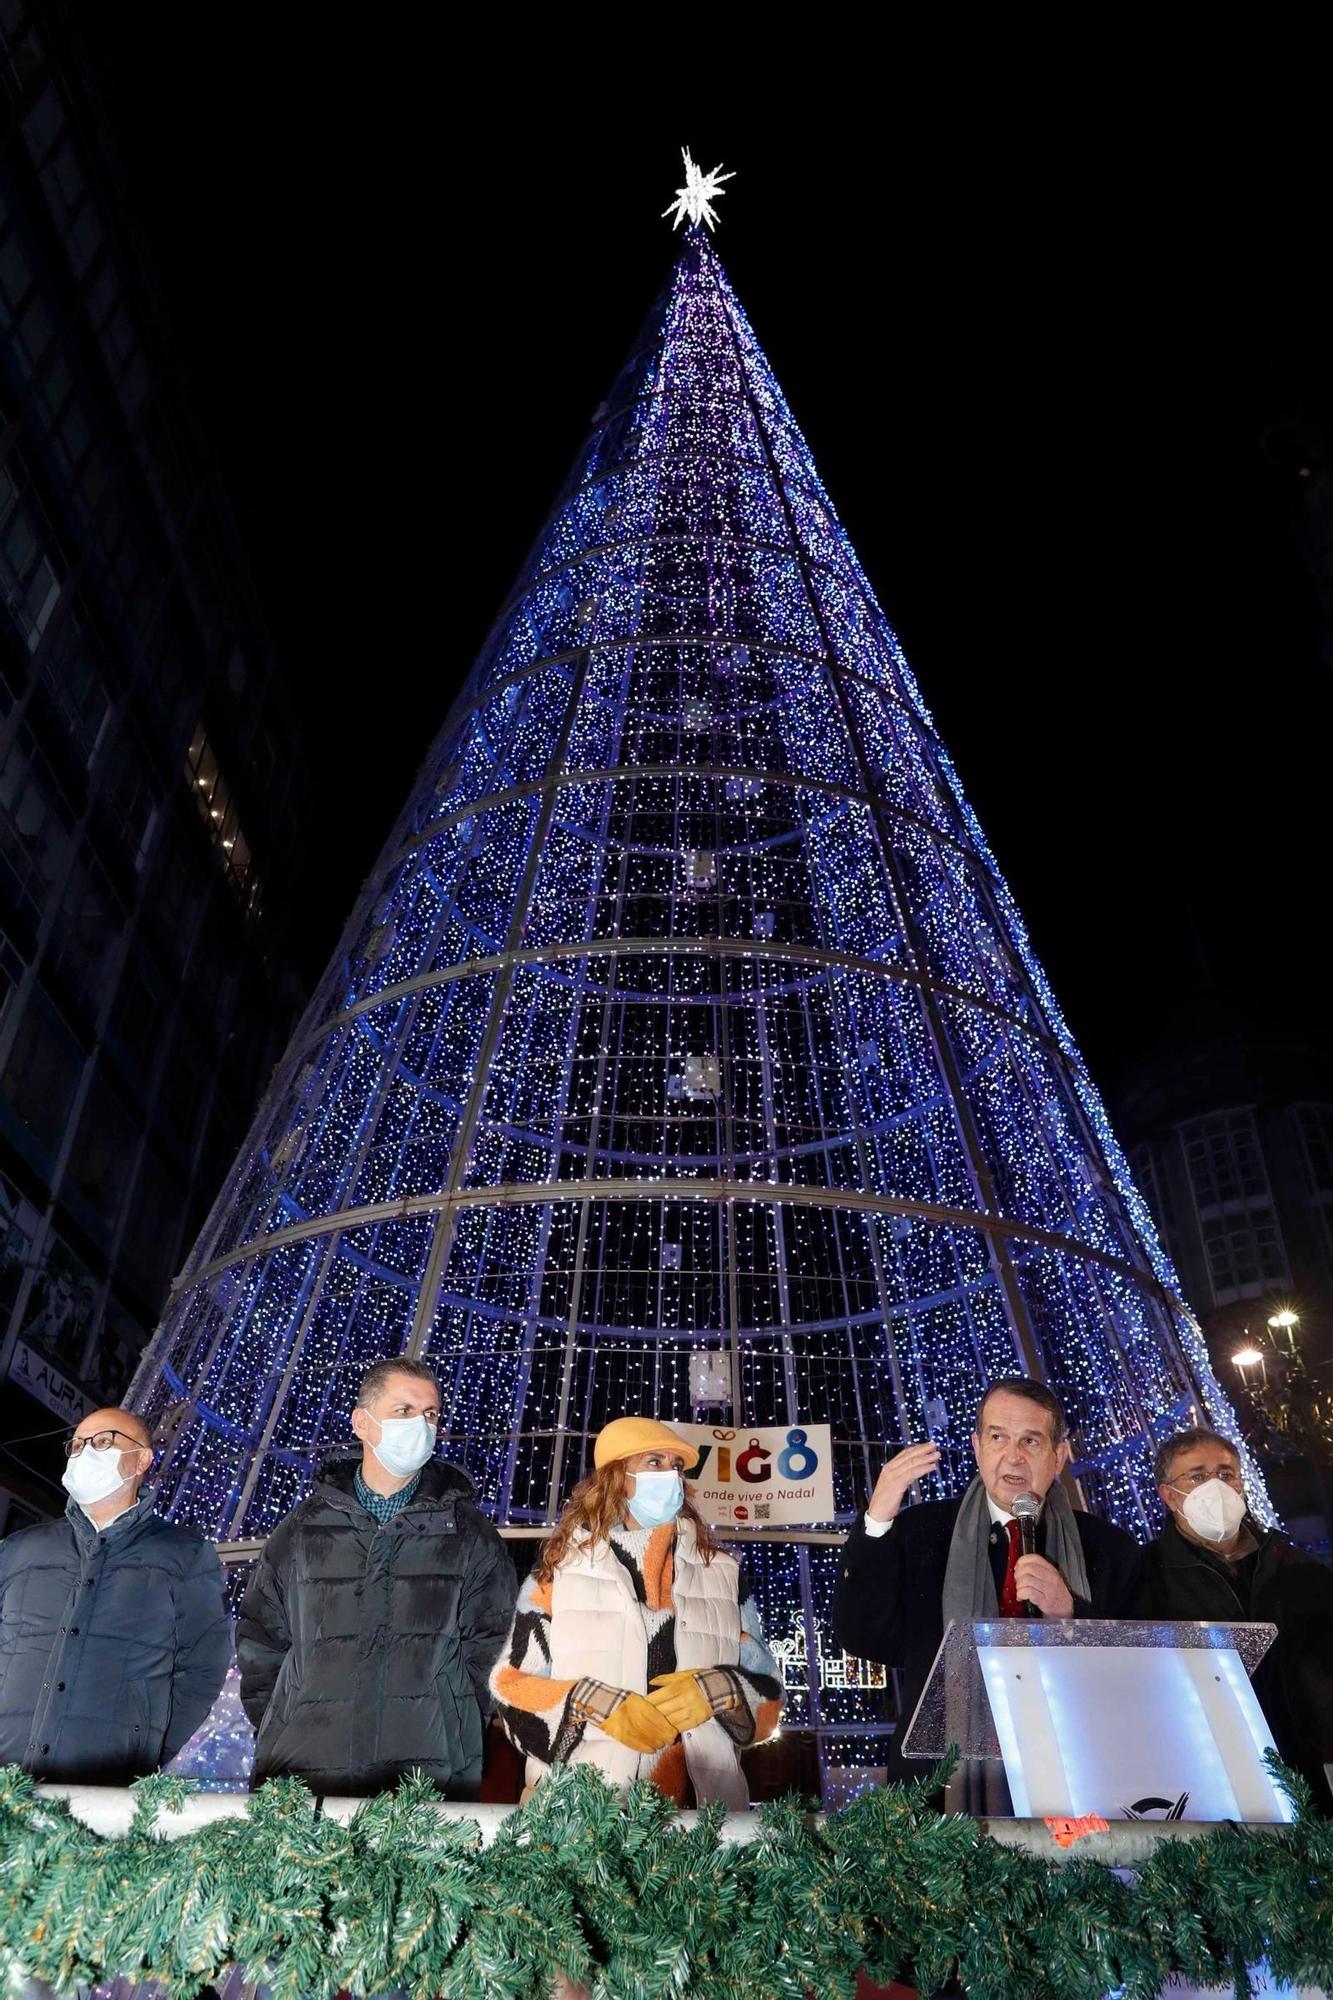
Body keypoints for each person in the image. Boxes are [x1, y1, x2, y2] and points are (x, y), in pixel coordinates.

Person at [831, 1376, 1142, 1782]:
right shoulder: (921, 1533)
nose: (1013, 1457)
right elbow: (862, 1635)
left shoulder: (1108, 1549)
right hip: (941, 1789)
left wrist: (1070, 1613)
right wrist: (876, 1522)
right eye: (998, 1437)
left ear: (1059, 1455)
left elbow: (1139, 1673)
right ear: (978, 1447)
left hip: (1076, 1775)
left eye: (1030, 1441)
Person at [236, 1357, 516, 1797]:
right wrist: (284, 1720)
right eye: (404, 1411)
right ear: (362, 1424)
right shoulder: (303, 1528)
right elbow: (262, 1639)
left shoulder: (470, 1535)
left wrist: (452, 1725)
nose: (421, 1425)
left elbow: (493, 1647)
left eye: (430, 1414)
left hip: (427, 1779)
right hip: (302, 1771)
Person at [489, 1416, 782, 1809]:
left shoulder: (724, 1576)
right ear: (616, 1477)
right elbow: (511, 1689)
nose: (671, 1476)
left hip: (705, 1822)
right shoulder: (558, 1573)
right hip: (580, 1818)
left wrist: (720, 1693)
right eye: (654, 1463)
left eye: (676, 1466)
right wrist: (587, 1704)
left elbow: (769, 1695)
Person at [0, 1407, 229, 1782]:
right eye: (76, 1445)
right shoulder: (20, 1549)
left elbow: (203, 1667)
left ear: (141, 1459)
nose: (85, 1452)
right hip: (7, 1779)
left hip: (102, 1786)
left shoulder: (184, 1554)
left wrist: (142, 1751)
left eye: (103, 1441)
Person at [1138, 1425, 1333, 1809]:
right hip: (1211, 1777)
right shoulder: (1146, 1577)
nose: (1216, 1486)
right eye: (1197, 1476)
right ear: (1169, 1496)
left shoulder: (1296, 1566)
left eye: (1226, 1473)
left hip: (1309, 1770)